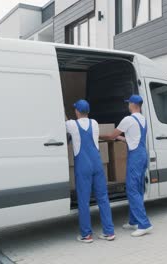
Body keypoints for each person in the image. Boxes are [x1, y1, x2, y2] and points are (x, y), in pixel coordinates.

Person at [100, 95, 153, 237]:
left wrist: (98, 135)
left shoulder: (128, 119)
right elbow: (131, 139)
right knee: (138, 188)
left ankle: (144, 224)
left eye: (128, 103)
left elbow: (111, 136)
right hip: (142, 154)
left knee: (132, 189)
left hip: (135, 157)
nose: (127, 105)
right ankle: (133, 221)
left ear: (133, 104)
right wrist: (119, 137)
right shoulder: (143, 119)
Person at [66, 99, 115, 243]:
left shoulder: (71, 124)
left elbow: (63, 126)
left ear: (76, 111)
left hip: (83, 166)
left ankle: (86, 235)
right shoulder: (94, 123)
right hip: (97, 164)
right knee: (103, 198)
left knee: (84, 201)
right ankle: (109, 232)